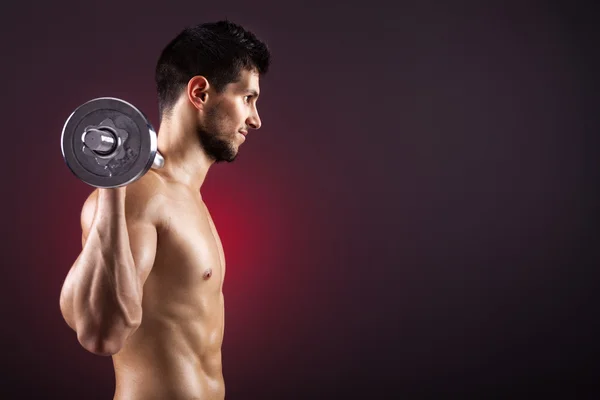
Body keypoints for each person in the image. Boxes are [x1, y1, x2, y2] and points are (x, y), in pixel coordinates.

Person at [59, 20, 270, 400]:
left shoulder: (187, 197)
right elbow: (99, 333)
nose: (255, 119)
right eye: (248, 98)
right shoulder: (139, 195)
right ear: (200, 92)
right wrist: (114, 183)